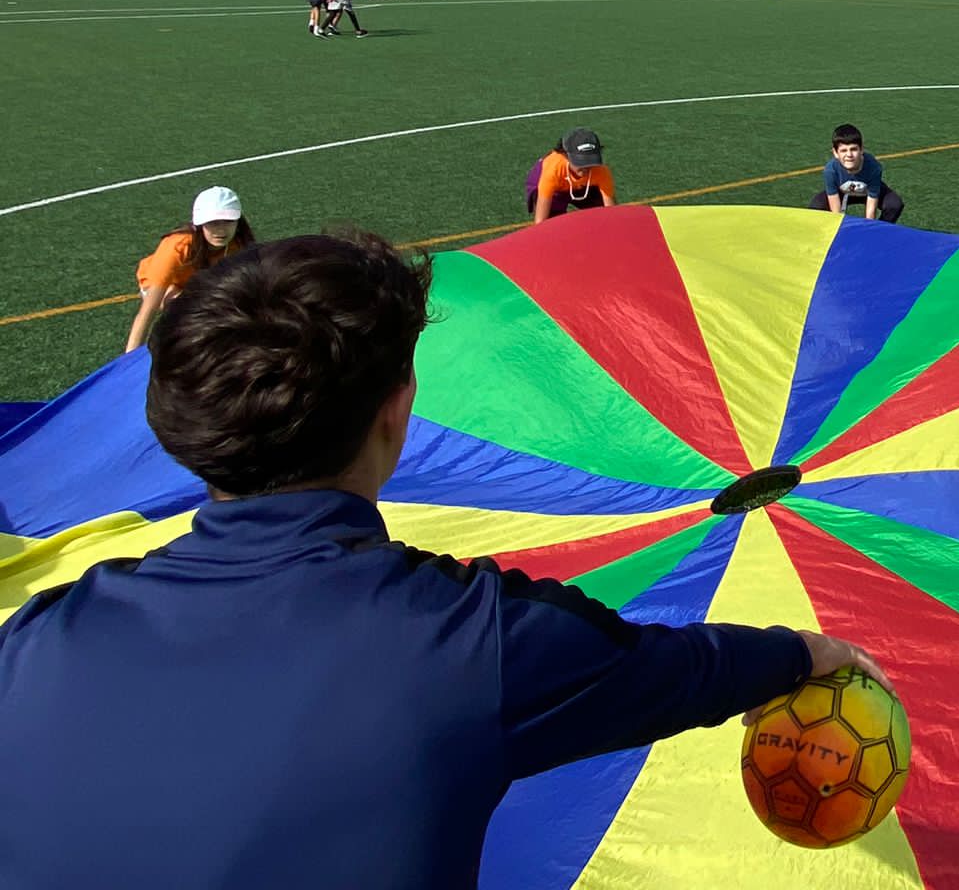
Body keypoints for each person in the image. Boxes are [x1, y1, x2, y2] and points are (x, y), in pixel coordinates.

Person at [0, 230, 885, 890]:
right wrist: (803, 654)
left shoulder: (36, 638)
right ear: (398, 410)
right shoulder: (472, 639)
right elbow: (672, 669)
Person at [125, 186, 256, 352]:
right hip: (170, 284)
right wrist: (128, 358)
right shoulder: (177, 247)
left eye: (228, 221)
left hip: (203, 283)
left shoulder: (241, 245)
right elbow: (147, 310)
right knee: (190, 309)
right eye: (213, 223)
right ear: (200, 224)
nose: (221, 230)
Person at [810, 123, 904, 222]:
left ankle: (879, 229)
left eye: (853, 149)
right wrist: (839, 226)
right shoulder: (830, 170)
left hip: (867, 191)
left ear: (861, 149)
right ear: (835, 153)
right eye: (843, 150)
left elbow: (872, 203)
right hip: (841, 192)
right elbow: (835, 207)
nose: (849, 155)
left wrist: (868, 226)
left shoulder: (873, 167)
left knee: (894, 204)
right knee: (816, 206)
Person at [527, 128, 616, 224]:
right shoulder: (553, 170)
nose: (586, 167)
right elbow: (540, 221)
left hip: (583, 186)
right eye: (580, 161)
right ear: (565, 155)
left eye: (590, 161)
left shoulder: (600, 170)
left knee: (603, 213)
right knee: (553, 224)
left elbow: (611, 211)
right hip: (554, 190)